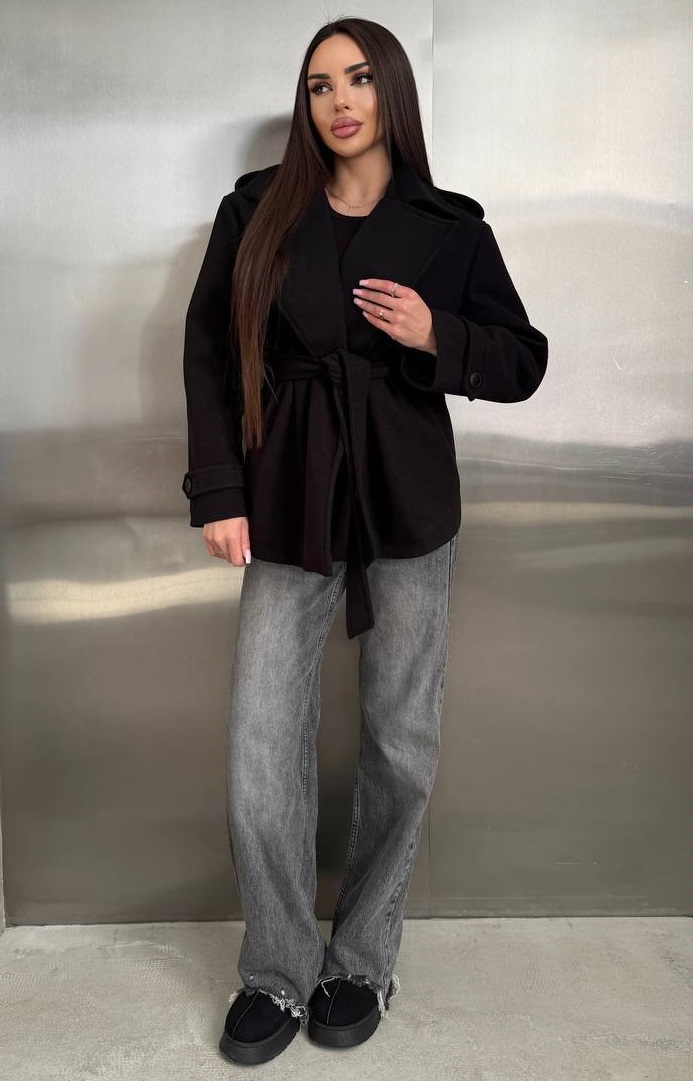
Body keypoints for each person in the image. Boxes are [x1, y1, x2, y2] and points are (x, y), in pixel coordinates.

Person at [181, 16, 548, 1067]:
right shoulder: (255, 210)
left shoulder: (450, 226)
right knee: (261, 741)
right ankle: (275, 967)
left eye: (357, 79)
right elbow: (209, 350)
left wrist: (438, 336)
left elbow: (523, 359)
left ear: (390, 90)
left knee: (398, 739)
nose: (339, 101)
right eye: (317, 85)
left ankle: (361, 957)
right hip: (286, 495)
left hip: (406, 499)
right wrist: (219, 491)